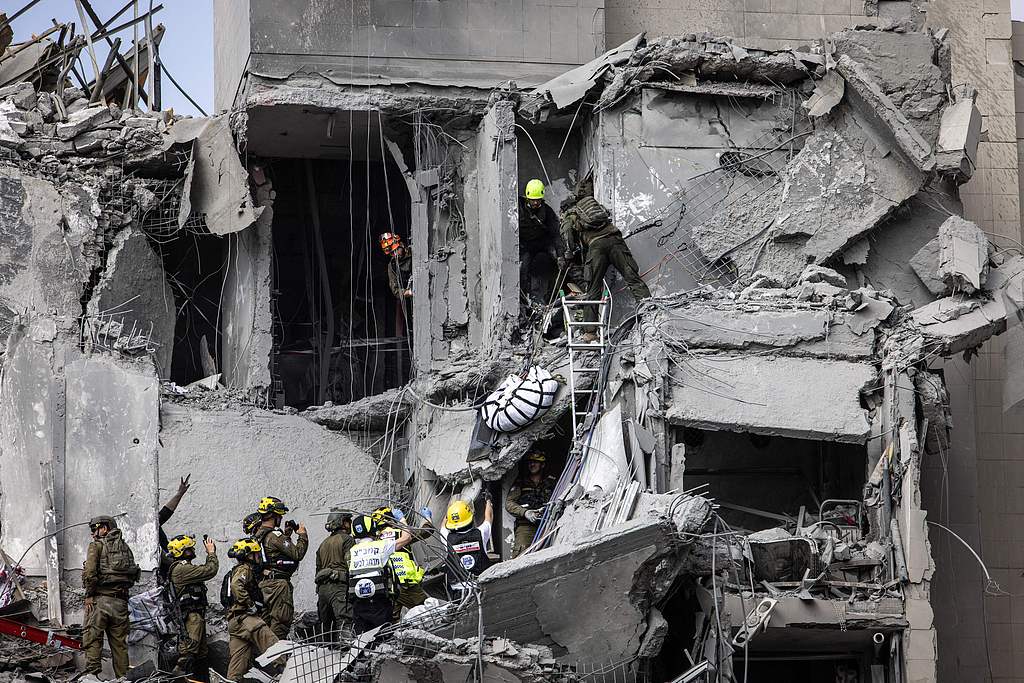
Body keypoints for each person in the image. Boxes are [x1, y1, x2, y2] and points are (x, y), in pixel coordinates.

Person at [561, 183, 650, 326]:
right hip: (616, 240)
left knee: (593, 289)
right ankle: (650, 314)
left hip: (596, 247)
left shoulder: (570, 215)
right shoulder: (594, 207)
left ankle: (590, 332)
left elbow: (567, 234)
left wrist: (568, 253)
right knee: (633, 278)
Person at [82, 515, 140, 677]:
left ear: (104, 528)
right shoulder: (125, 548)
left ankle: (92, 677)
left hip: (99, 601)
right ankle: (123, 678)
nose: (92, 533)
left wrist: (89, 595)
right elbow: (132, 575)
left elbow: (90, 574)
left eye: (94, 529)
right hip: (121, 603)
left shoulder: (96, 546)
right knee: (120, 646)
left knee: (92, 639)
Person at [252, 497, 308, 639]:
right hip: (278, 586)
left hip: (263, 585)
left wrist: (286, 535)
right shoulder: (275, 536)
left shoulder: (257, 535)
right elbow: (297, 553)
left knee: (266, 623)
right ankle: (276, 652)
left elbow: (272, 554)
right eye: (279, 515)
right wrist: (302, 535)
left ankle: (264, 651)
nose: (281, 518)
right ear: (273, 515)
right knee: (281, 622)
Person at [347, 515, 413, 634]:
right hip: (378, 600)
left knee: (363, 637)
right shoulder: (382, 545)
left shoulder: (351, 552)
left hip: (358, 601)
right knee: (384, 634)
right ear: (373, 529)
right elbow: (407, 538)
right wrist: (402, 520)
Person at [224, 538, 279, 682]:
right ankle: (291, 670)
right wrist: (250, 604)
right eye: (256, 553)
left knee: (238, 659)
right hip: (245, 618)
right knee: (270, 640)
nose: (259, 556)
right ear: (249, 555)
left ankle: (232, 681)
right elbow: (236, 585)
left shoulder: (235, 570)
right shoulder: (245, 569)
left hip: (234, 622)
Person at [167, 534, 218, 681]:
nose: (193, 550)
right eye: (190, 548)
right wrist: (211, 553)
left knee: (201, 655)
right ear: (183, 551)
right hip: (191, 617)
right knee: (188, 653)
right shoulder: (181, 569)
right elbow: (210, 570)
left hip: (196, 615)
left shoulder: (184, 567)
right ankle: (178, 678)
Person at [372, 507, 430, 621]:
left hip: (389, 586)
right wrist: (426, 517)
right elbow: (427, 531)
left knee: (392, 619)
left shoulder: (375, 541)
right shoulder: (401, 533)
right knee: (428, 610)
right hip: (407, 584)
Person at [505, 452, 558, 557]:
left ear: (542, 465)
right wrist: (525, 513)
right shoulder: (521, 482)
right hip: (526, 526)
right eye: (530, 462)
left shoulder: (551, 482)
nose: (532, 465)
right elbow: (509, 503)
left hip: (546, 525)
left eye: (536, 462)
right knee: (521, 555)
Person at [441, 494, 493, 598]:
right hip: (480, 588)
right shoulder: (481, 533)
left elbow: (443, 526)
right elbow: (489, 517)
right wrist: (488, 501)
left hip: (456, 592)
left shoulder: (446, 537)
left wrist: (450, 511)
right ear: (471, 517)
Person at [519, 179, 561, 304]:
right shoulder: (519, 208)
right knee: (523, 269)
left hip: (542, 246)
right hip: (525, 246)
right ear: (527, 198)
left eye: (538, 200)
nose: (535, 203)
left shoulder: (547, 212)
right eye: (533, 200)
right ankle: (523, 300)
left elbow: (555, 234)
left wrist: (560, 255)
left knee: (544, 267)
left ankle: (540, 298)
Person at [315, 509, 354, 639]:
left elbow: (318, 568)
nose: (350, 524)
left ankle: (325, 650)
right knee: (344, 622)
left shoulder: (323, 544)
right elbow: (351, 564)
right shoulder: (347, 539)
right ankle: (346, 650)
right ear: (341, 522)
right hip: (339, 588)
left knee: (326, 627)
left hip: (322, 591)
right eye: (348, 521)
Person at [158, 475, 192, 581]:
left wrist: (180, 494)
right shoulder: (146, 530)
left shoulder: (153, 525)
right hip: (164, 574)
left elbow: (166, 512)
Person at [380, 232, 412, 301]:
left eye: (396, 250)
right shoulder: (392, 266)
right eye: (392, 253)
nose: (395, 255)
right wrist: (409, 292)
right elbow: (396, 291)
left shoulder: (413, 250)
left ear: (401, 244)